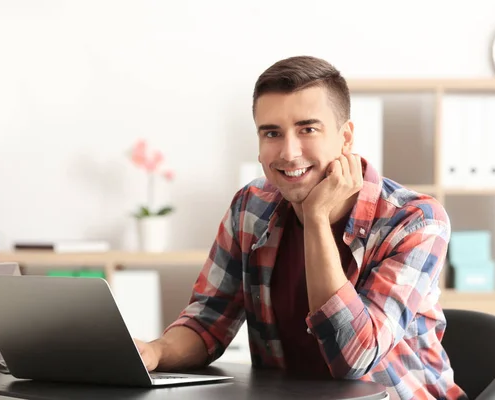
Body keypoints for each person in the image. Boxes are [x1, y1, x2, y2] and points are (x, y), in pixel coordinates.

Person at [135, 55, 467, 399]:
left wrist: (317, 219)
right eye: (272, 133)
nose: (289, 152)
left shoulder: (416, 220)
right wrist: (155, 352)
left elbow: (356, 358)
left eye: (308, 129)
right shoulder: (251, 207)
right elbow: (208, 321)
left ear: (346, 137)